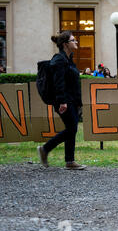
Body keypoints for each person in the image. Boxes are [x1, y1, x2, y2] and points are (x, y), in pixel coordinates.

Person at [37, 31, 86, 170]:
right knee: (72, 128)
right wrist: (62, 101)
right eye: (73, 40)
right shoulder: (59, 60)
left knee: (72, 129)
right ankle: (45, 149)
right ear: (66, 44)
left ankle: (70, 161)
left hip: (71, 100)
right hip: (64, 101)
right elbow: (58, 83)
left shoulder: (68, 59)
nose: (76, 42)